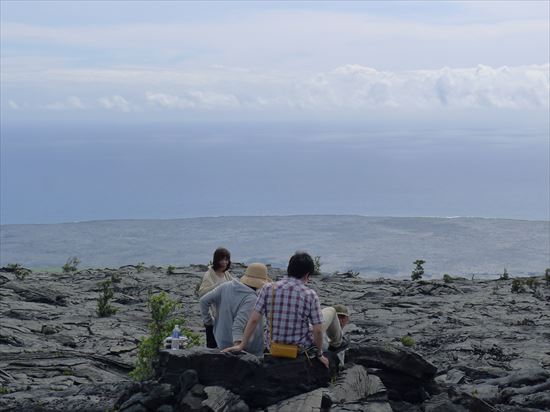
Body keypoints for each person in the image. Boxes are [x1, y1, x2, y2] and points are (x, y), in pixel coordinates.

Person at [224, 252, 329, 369]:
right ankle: (339, 344)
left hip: (274, 347)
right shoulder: (310, 294)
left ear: (289, 269)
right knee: (329, 315)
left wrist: (241, 345)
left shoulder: (268, 288)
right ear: (307, 275)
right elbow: (318, 331)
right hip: (299, 349)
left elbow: (253, 320)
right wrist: (319, 354)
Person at [199, 263, 271, 356]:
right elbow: (238, 325)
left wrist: (209, 321)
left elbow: (203, 301)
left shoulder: (226, 286)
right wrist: (238, 346)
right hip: (246, 350)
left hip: (220, 342)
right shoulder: (252, 299)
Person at [198, 247, 234, 348]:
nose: (224, 262)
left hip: (227, 315)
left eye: (226, 259)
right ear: (216, 260)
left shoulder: (226, 274)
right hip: (214, 316)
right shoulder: (209, 274)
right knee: (213, 346)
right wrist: (218, 287)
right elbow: (202, 293)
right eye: (222, 259)